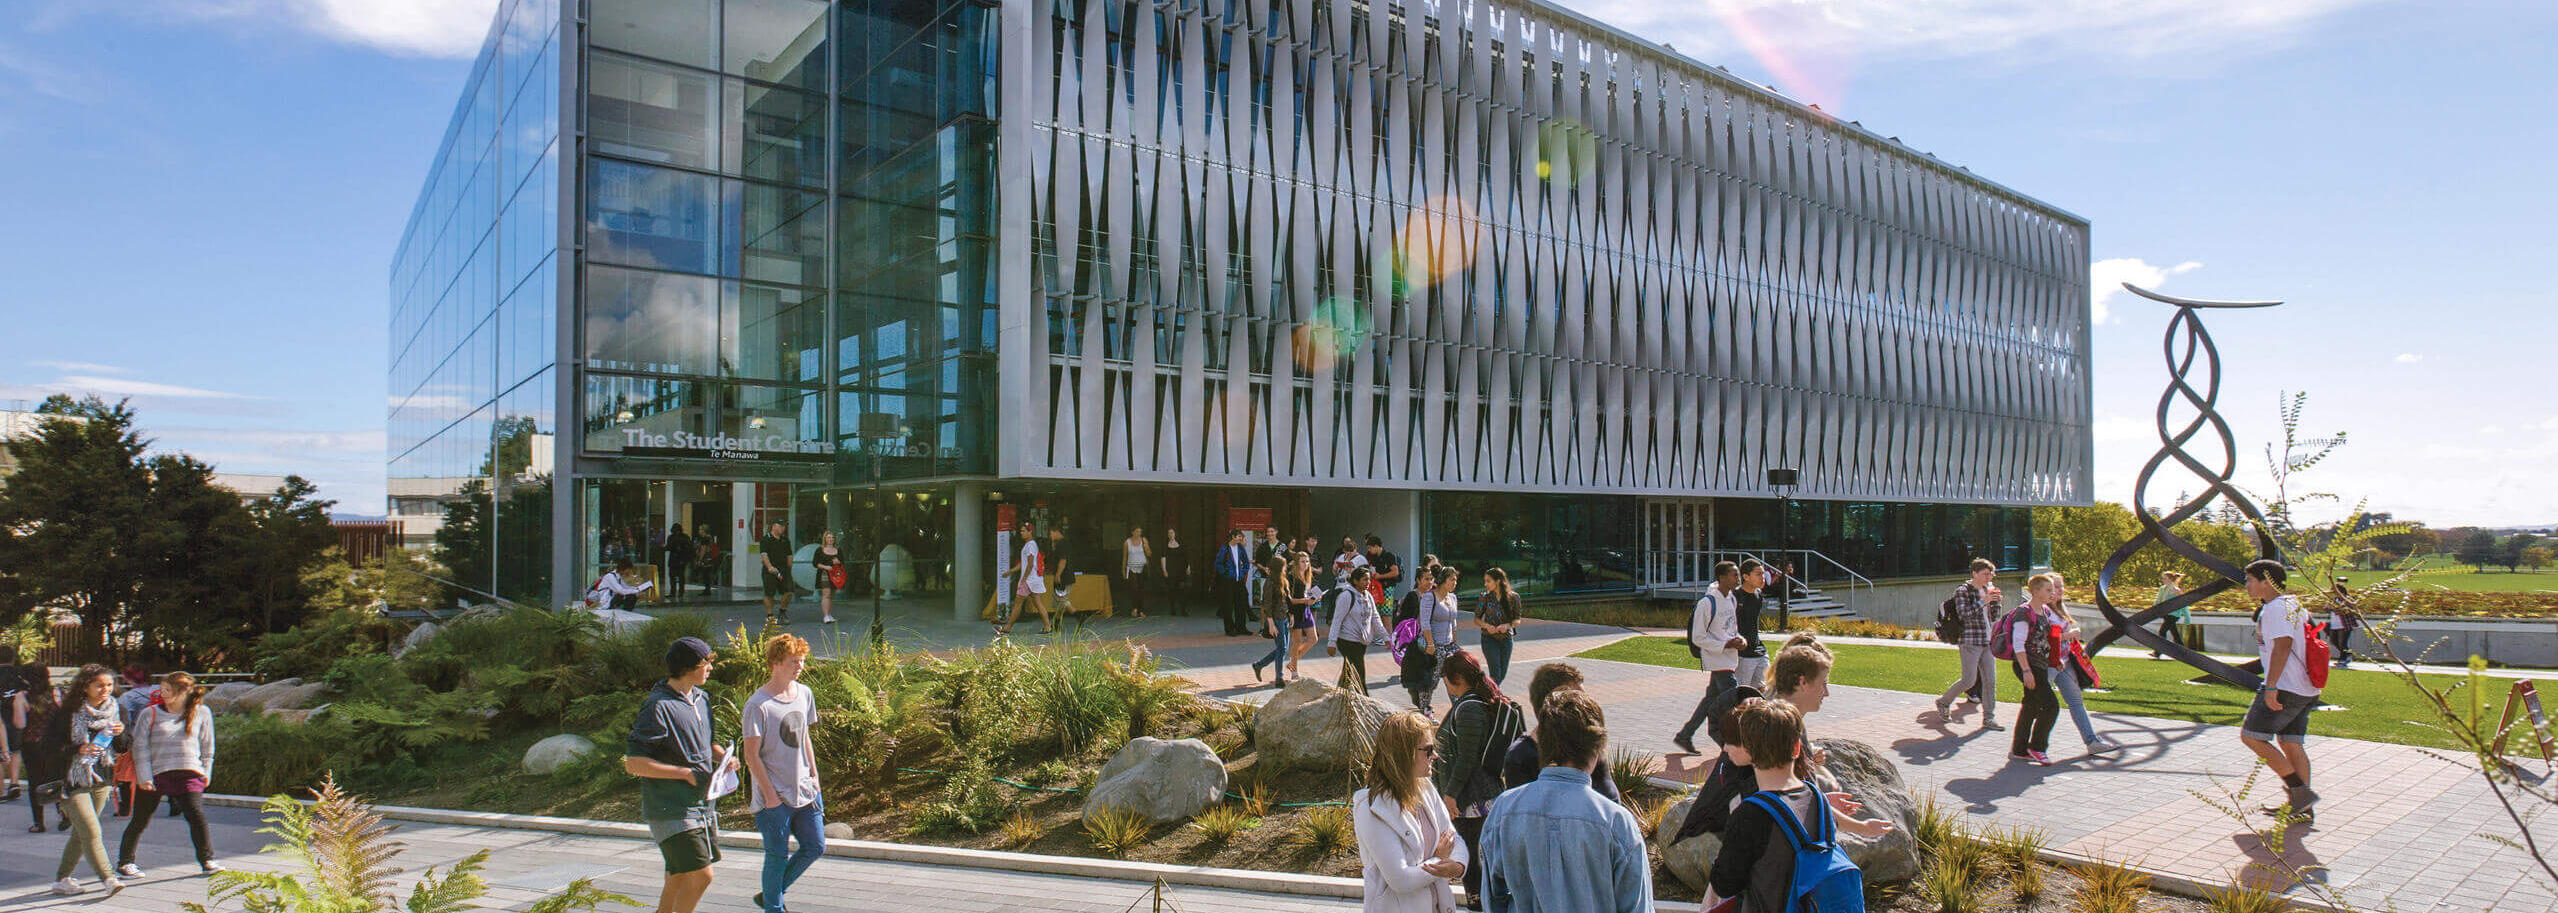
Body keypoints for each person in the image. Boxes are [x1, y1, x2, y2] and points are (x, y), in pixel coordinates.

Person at [1705, 699, 1892, 913]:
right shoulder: (1816, 797)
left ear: (1748, 751)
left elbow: (1725, 884)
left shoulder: (1750, 814)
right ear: (1796, 748)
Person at [1476, 690, 1652, 913]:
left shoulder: (1505, 809)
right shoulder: (1615, 821)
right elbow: (1637, 907)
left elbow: (1493, 899)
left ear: (1543, 744)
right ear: (1596, 748)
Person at [624, 637, 734, 913]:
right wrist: (684, 773)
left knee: (679, 874)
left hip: (702, 805)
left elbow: (708, 744)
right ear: (688, 667)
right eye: (706, 662)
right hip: (671, 808)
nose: (710, 668)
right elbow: (634, 763)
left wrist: (725, 758)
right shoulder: (657, 706)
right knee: (701, 875)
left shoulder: (701, 698)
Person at [1355, 711, 1467, 913]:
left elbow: (1454, 839)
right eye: (1428, 749)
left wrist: (1458, 866)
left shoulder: (1425, 788)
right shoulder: (1371, 806)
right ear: (1404, 753)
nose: (1435, 756)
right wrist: (1439, 861)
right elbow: (1400, 879)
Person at [743, 635, 824, 913]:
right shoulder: (758, 705)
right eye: (793, 661)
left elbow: (805, 737)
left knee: (815, 846)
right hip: (774, 795)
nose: (799, 666)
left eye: (802, 660)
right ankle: (773, 907)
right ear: (775, 663)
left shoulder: (805, 693)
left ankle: (770, 895)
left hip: (806, 789)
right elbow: (751, 755)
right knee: (777, 856)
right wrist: (770, 796)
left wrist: (815, 777)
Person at [1432, 650, 1517, 911]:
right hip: (1478, 796)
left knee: (1472, 860)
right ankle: (1485, 904)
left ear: (1457, 678)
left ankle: (1480, 905)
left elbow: (1467, 758)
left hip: (1473, 799)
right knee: (1480, 859)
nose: (1444, 684)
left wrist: (1450, 794)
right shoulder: (1475, 701)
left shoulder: (1469, 708)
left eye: (1445, 678)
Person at [2242, 559, 2323, 822]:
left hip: (2286, 686)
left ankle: (2300, 793)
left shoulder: (2276, 608)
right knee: (2290, 742)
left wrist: (2271, 686)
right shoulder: (2293, 604)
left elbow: (2283, 646)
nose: (2246, 586)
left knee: (2252, 736)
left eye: (2250, 580)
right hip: (2306, 687)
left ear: (2266, 581)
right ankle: (2302, 809)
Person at [116, 671, 219, 877]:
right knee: (141, 819)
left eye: (167, 690)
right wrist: (145, 776)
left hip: (189, 771)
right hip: (156, 773)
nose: (161, 694)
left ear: (183, 692)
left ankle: (207, 860)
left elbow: (208, 746)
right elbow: (140, 748)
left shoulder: (202, 712)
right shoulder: (150, 713)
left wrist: (206, 771)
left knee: (196, 815)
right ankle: (125, 862)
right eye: (161, 689)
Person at [50, 664, 124, 896]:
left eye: (109, 684)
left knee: (81, 833)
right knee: (92, 832)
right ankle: (109, 878)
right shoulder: (68, 712)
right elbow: (50, 746)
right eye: (99, 685)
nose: (106, 689)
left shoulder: (115, 709)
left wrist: (122, 733)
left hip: (101, 779)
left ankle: (62, 879)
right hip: (72, 780)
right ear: (85, 686)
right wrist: (78, 748)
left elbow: (122, 747)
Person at [1501, 663, 1620, 805]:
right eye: (1575, 699)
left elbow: (1609, 797)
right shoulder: (1521, 755)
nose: (1586, 706)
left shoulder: (1588, 745)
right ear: (1552, 706)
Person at [2037, 573, 2117, 755]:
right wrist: (2069, 635)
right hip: (2048, 664)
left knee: (2076, 701)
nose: (2059, 590)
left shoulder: (2059, 607)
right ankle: (2026, 744)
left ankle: (2092, 741)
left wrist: (2071, 634)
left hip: (2064, 663)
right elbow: (2044, 638)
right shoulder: (2042, 610)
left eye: (2061, 586)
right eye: (2055, 587)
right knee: (2037, 704)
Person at [1673, 562, 1746, 754]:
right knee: (1734, 701)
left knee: (1710, 700)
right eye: (1734, 575)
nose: (1738, 579)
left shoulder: (1731, 599)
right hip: (1716, 659)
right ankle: (1728, 743)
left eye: (1738, 575)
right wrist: (1724, 645)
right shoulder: (1707, 603)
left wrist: (1739, 640)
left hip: (1729, 658)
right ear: (1721, 577)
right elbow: (1698, 637)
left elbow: (1731, 629)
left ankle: (1685, 735)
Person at [1933, 558, 2005, 730]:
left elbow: (1994, 617)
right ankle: (1943, 702)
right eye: (1985, 574)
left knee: (1990, 681)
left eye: (1991, 574)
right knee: (1969, 680)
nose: (1989, 577)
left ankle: (1989, 718)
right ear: (1974, 573)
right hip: (1970, 641)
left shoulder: (1988, 589)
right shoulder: (1963, 591)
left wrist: (1997, 602)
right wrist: (1984, 601)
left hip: (1987, 641)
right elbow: (1964, 614)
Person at [2004, 573, 2066, 766]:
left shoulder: (2045, 612)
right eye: (2048, 590)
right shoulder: (2024, 612)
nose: (2053, 593)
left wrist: (2054, 661)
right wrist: (2026, 671)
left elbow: (2043, 641)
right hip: (2028, 666)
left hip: (2038, 665)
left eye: (2053, 590)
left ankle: (2019, 749)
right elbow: (2019, 644)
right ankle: (2037, 747)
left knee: (2031, 705)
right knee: (2051, 706)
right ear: (2036, 591)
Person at [19, 664, 65, 833]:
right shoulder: (58, 692)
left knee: (34, 782)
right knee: (57, 778)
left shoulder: (24, 696)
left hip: (31, 743)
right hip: (55, 743)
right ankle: (63, 814)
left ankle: (39, 822)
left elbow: (20, 723)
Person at [1328, 566, 1387, 694]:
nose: (1368, 583)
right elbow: (1337, 620)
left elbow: (1375, 618)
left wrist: (1386, 638)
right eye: (1364, 580)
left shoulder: (1368, 596)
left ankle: (1339, 697)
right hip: (1347, 641)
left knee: (1349, 672)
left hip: (1361, 642)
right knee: (1359, 673)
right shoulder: (1346, 596)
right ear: (1355, 581)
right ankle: (1365, 700)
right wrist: (1331, 642)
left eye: (1369, 579)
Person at [1000, 520, 1052, 636]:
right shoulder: (1030, 545)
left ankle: (1008, 627)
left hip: (1028, 580)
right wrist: (1009, 572)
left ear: (1030, 532)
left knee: (1018, 604)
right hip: (1034, 580)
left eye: (1024, 531)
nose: (1021, 533)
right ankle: (1047, 626)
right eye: (1021, 531)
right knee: (1038, 604)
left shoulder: (1030, 545)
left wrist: (1023, 579)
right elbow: (1024, 564)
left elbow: (1029, 564)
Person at [1251, 553, 1296, 685]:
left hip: (1284, 617)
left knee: (1283, 649)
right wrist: (1270, 623)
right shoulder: (1270, 582)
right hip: (1276, 619)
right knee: (1282, 648)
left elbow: (1287, 600)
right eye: (1284, 566)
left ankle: (1259, 665)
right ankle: (1279, 678)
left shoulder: (1284, 580)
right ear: (1278, 567)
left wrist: (1291, 615)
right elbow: (1267, 604)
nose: (1285, 568)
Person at [1732, 559, 1771, 691]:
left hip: (1759, 650)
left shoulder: (1758, 595)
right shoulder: (1734, 596)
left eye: (1763, 574)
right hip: (1743, 654)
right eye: (1758, 574)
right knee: (1742, 693)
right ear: (1746, 577)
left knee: (1762, 688)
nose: (1763, 578)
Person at [1215, 530, 1254, 636]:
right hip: (1228, 581)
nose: (1241, 538)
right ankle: (1229, 629)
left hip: (1239, 581)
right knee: (1228, 605)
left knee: (1241, 605)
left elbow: (1246, 561)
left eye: (1241, 537)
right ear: (1233, 537)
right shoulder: (1225, 548)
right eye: (1239, 536)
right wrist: (1226, 573)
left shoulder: (1240, 548)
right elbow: (1218, 564)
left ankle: (1241, 628)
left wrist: (1243, 571)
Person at [758, 521, 795, 626]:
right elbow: (764, 555)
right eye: (780, 526)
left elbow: (789, 555)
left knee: (789, 591)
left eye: (784, 526)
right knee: (769, 593)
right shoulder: (766, 539)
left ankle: (782, 612)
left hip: (784, 569)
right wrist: (769, 567)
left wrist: (789, 568)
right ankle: (770, 616)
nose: (783, 528)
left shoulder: (785, 540)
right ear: (773, 526)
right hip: (770, 570)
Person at [592, 559, 656, 611]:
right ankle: (625, 612)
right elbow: (621, 591)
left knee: (632, 596)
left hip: (611, 599)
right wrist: (637, 591)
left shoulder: (618, 576)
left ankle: (627, 612)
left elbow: (626, 587)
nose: (629, 572)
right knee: (627, 595)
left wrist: (639, 589)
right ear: (624, 568)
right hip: (605, 602)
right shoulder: (610, 577)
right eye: (629, 570)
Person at [809, 532, 845, 625]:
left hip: (835, 575)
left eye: (832, 537)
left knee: (832, 595)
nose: (831, 539)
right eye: (829, 537)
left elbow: (842, 563)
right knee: (826, 594)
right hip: (824, 573)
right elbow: (815, 563)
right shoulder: (820, 550)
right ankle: (825, 616)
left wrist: (838, 562)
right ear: (825, 539)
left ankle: (829, 614)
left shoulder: (838, 550)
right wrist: (825, 567)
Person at [1120, 527, 1153, 619]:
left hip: (1142, 568)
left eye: (1140, 532)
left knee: (1141, 589)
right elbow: (1125, 557)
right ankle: (1134, 608)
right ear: (1132, 532)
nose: (1139, 533)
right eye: (1137, 531)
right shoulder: (1127, 542)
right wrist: (1123, 570)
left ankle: (1141, 610)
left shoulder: (1144, 540)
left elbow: (1149, 554)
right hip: (1131, 568)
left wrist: (1146, 547)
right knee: (1134, 588)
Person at [2152, 571, 2187, 658]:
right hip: (2166, 614)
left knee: (2162, 631)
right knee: (2175, 633)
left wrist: (2187, 616)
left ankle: (2158, 652)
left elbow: (2183, 603)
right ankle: (2183, 652)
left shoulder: (2176, 590)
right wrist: (2152, 609)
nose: (2162, 580)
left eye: (2164, 578)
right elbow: (2158, 600)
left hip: (2174, 614)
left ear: (2170, 579)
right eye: (2162, 578)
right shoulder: (2162, 588)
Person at [2328, 577, 2360, 668]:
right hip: (2334, 625)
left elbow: (2353, 610)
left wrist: (2341, 610)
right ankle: (2347, 654)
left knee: (2343, 643)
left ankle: (2343, 659)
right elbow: (2326, 608)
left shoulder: (2347, 599)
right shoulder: (2333, 600)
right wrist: (2330, 607)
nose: (2333, 592)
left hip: (2345, 625)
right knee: (2333, 641)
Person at [1158, 527, 1189, 616]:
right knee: (1172, 590)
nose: (1171, 534)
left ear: (1175, 534)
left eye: (1172, 533)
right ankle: (1172, 609)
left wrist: (1188, 568)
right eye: (1169, 533)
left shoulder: (1181, 544)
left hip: (1181, 570)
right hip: (1171, 570)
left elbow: (1186, 557)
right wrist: (1164, 570)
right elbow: (1163, 558)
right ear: (1167, 535)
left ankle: (1183, 610)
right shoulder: (1165, 545)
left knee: (1183, 589)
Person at [1368, 536, 1405, 608]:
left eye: (1370, 548)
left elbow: (1395, 572)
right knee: (1378, 611)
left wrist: (1380, 576)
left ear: (1376, 546)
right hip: (1378, 588)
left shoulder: (1388, 556)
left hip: (1388, 588)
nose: (1369, 550)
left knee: (1386, 612)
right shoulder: (1374, 558)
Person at [665, 524, 695, 600]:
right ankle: (681, 592)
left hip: (673, 559)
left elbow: (668, 547)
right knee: (681, 577)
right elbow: (690, 548)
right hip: (682, 560)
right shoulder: (685, 537)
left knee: (672, 577)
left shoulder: (671, 537)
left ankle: (673, 592)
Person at [694, 524, 723, 597]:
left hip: (705, 559)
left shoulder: (704, 539)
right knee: (707, 574)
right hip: (710, 558)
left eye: (700, 530)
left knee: (705, 574)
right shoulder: (710, 538)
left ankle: (707, 590)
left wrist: (700, 559)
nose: (699, 531)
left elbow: (703, 549)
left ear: (704, 531)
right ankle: (707, 589)